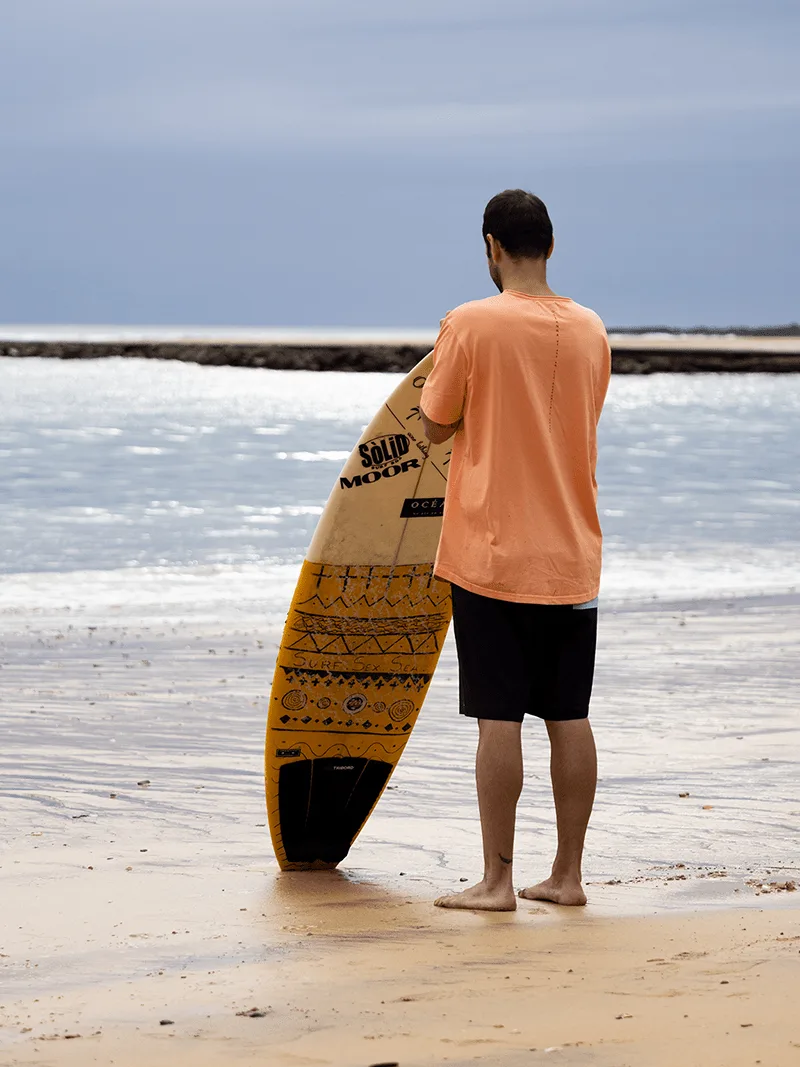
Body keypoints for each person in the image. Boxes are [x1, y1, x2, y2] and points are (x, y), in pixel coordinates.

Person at [420, 189, 611, 912]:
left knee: (498, 715)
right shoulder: (593, 329)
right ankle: (568, 876)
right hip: (573, 552)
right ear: (550, 247)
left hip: (492, 553)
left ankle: (497, 880)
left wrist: (447, 347)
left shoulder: (470, 322)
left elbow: (437, 425)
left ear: (492, 247)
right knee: (569, 713)